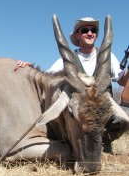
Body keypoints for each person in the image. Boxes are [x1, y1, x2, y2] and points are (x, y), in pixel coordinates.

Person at [15, 16, 129, 152]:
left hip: (101, 113)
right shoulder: (68, 59)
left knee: (124, 118)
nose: (90, 33)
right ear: (77, 35)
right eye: (85, 30)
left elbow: (122, 81)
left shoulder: (108, 57)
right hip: (79, 116)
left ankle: (102, 143)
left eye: (93, 30)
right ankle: (75, 143)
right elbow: (46, 78)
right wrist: (30, 67)